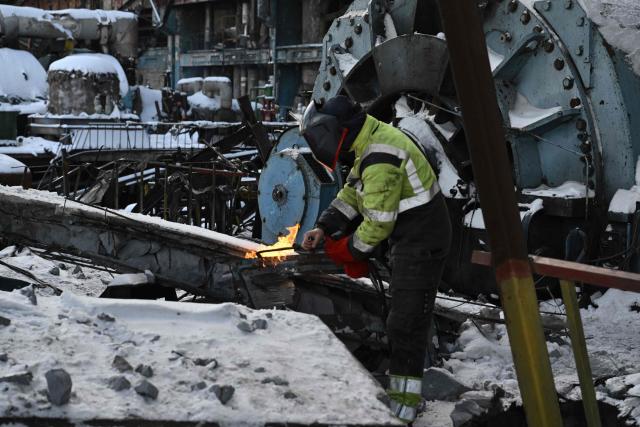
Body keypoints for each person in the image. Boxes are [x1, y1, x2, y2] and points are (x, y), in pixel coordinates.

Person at [300, 95, 452, 423]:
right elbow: (353, 193)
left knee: (406, 322)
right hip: (409, 236)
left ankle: (403, 407)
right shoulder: (366, 140)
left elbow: (378, 223)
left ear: (335, 131)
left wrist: (347, 251)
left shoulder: (381, 152)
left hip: (422, 240)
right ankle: (400, 395)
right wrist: (324, 228)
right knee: (401, 316)